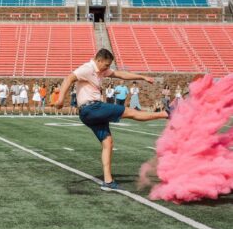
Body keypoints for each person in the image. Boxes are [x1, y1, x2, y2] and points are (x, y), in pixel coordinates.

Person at [56, 48, 168, 191]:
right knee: (130, 112)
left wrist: (142, 77)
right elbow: (69, 78)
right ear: (99, 60)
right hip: (92, 108)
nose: (108, 68)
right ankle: (165, 114)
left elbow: (119, 74)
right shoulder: (87, 68)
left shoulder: (101, 70)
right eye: (106, 65)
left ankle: (108, 182)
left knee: (108, 143)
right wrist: (60, 99)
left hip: (89, 113)